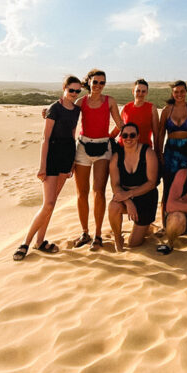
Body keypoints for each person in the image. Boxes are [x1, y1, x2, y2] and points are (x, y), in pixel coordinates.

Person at [14, 76, 82, 261]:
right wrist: (42, 166)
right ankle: (25, 243)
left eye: (77, 91)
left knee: (52, 203)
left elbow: (73, 135)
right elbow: (45, 138)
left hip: (67, 156)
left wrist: (72, 161)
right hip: (52, 157)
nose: (74, 94)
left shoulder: (77, 110)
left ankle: (40, 241)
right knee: (48, 204)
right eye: (71, 90)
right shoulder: (54, 108)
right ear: (64, 88)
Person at [72, 69, 123, 251]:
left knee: (99, 192)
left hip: (103, 149)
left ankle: (98, 235)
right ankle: (85, 232)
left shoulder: (110, 101)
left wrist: (110, 136)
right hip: (82, 148)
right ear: (89, 83)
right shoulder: (80, 102)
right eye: (95, 82)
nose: (98, 86)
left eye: (102, 82)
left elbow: (120, 124)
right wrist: (48, 113)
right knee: (81, 193)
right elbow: (68, 118)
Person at [108, 123, 159, 252]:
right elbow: (115, 185)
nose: (128, 138)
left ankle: (147, 227)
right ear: (121, 137)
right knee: (113, 206)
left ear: (138, 136)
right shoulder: (116, 157)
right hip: (126, 196)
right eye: (125, 135)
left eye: (132, 135)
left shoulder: (148, 153)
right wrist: (127, 201)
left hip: (146, 196)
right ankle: (118, 238)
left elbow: (152, 183)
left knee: (133, 244)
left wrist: (129, 194)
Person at [157, 80, 187, 225]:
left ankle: (184, 222)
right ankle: (165, 224)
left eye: (182, 91)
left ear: (186, 92)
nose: (179, 94)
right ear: (172, 93)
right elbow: (161, 134)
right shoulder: (166, 110)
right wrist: (159, 153)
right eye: (176, 92)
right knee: (167, 186)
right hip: (171, 151)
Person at [110, 78, 159, 151]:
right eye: (138, 91)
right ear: (133, 91)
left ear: (146, 93)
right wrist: (104, 140)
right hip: (124, 149)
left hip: (143, 149)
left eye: (143, 91)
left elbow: (156, 133)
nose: (140, 94)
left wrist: (157, 151)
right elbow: (117, 129)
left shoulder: (152, 108)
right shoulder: (125, 108)